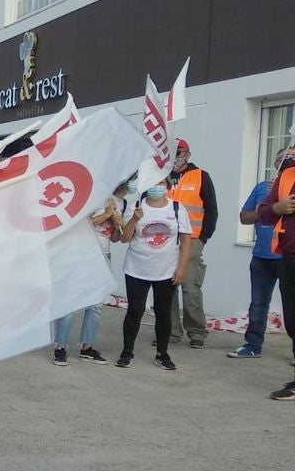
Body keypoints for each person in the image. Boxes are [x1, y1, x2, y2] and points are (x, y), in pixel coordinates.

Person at [115, 182, 192, 370]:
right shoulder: (136, 207)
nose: (157, 187)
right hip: (137, 269)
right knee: (135, 310)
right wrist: (134, 219)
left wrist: (181, 268)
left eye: (161, 183)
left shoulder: (176, 208)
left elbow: (185, 239)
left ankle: (162, 354)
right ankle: (127, 352)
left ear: (167, 185)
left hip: (166, 270)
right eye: (153, 183)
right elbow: (124, 238)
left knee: (163, 312)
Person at [228, 151, 284, 359]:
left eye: (290, 159)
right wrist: (264, 209)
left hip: (288, 255)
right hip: (262, 255)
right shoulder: (262, 188)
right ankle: (252, 345)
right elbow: (244, 217)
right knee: (258, 302)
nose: (284, 163)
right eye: (281, 160)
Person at [50, 197, 118, 365]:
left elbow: (116, 237)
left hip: (104, 255)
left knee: (96, 305)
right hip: (81, 254)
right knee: (70, 302)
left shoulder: (117, 202)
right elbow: (82, 225)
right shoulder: (91, 196)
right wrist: (107, 214)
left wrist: (117, 220)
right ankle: (61, 347)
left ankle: (87, 347)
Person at [167, 138, 217, 348]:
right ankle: (170, 332)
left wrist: (204, 237)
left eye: (180, 151)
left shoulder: (201, 177)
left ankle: (196, 332)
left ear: (188, 153)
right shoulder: (162, 177)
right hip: (166, 241)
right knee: (167, 288)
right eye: (173, 151)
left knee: (190, 288)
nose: (176, 155)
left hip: (193, 239)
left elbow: (212, 211)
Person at [255, 147, 295, 399]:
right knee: (293, 320)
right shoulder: (287, 175)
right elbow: (264, 214)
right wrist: (278, 208)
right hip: (289, 257)